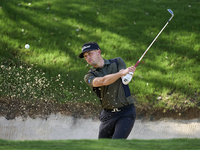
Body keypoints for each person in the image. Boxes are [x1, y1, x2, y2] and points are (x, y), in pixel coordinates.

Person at [79, 42, 136, 139]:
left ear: (98, 52)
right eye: (85, 56)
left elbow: (123, 75)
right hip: (108, 115)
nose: (88, 57)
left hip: (126, 112)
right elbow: (103, 81)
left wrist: (128, 74)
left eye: (90, 53)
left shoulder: (117, 62)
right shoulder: (89, 76)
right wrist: (120, 74)